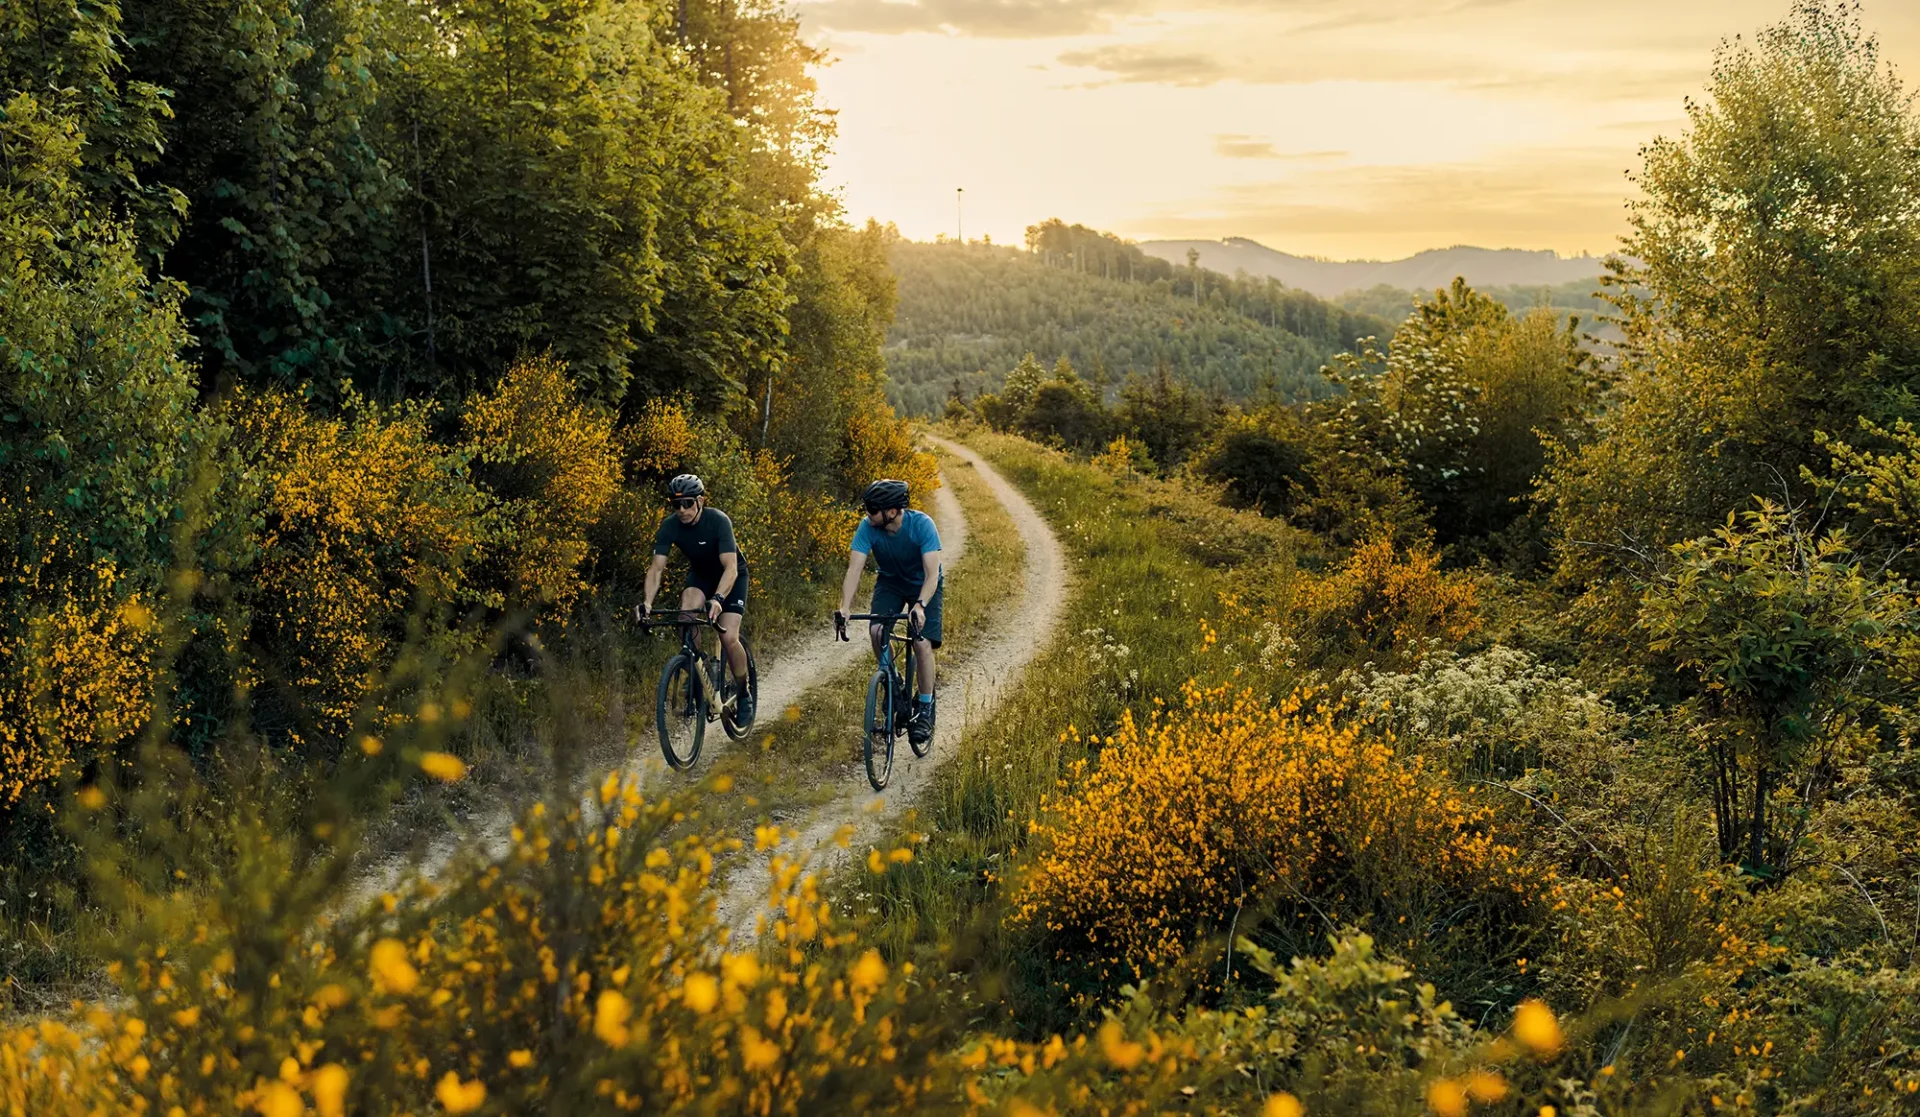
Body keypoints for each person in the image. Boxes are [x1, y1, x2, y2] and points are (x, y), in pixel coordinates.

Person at [835, 478, 943, 747]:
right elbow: (854, 570)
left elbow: (932, 575)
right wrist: (845, 606)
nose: (867, 514)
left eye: (872, 509)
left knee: (920, 642)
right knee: (877, 630)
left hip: (924, 584)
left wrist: (920, 606)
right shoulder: (867, 527)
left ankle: (926, 708)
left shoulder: (922, 526)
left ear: (892, 512)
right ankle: (893, 684)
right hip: (890, 583)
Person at [639, 474, 753, 722]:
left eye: (688, 503)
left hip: (731, 576)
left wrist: (719, 598)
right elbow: (656, 569)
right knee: (685, 618)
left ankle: (744, 693)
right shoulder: (670, 526)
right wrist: (647, 603)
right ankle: (697, 670)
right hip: (701, 576)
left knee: (728, 635)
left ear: (700, 501)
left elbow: (731, 568)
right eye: (676, 505)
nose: (682, 510)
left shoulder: (718, 521)